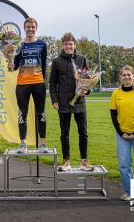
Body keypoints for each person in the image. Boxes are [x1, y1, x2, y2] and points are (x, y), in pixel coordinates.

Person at [49, 32, 93, 171]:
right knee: (64, 133)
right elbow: (52, 83)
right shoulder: (56, 61)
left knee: (83, 132)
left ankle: (84, 161)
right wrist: (54, 100)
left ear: (75, 45)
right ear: (62, 45)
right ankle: (66, 161)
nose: (68, 46)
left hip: (79, 101)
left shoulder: (82, 59)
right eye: (66, 44)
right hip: (63, 103)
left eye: (71, 44)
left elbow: (88, 79)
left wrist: (87, 90)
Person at [110, 65, 134, 201]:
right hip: (122, 135)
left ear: (133, 76)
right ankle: (129, 192)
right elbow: (113, 115)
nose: (126, 77)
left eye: (129, 75)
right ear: (120, 77)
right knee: (124, 164)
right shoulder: (116, 94)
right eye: (124, 75)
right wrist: (121, 132)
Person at [8, 17, 47, 153]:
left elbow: (44, 64)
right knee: (22, 114)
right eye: (28, 27)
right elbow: (15, 66)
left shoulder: (42, 44)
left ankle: (42, 143)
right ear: (24, 28)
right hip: (22, 84)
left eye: (32, 27)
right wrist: (10, 63)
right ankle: (22, 143)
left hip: (38, 83)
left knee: (41, 113)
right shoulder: (19, 45)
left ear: (36, 28)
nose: (30, 29)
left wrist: (44, 82)